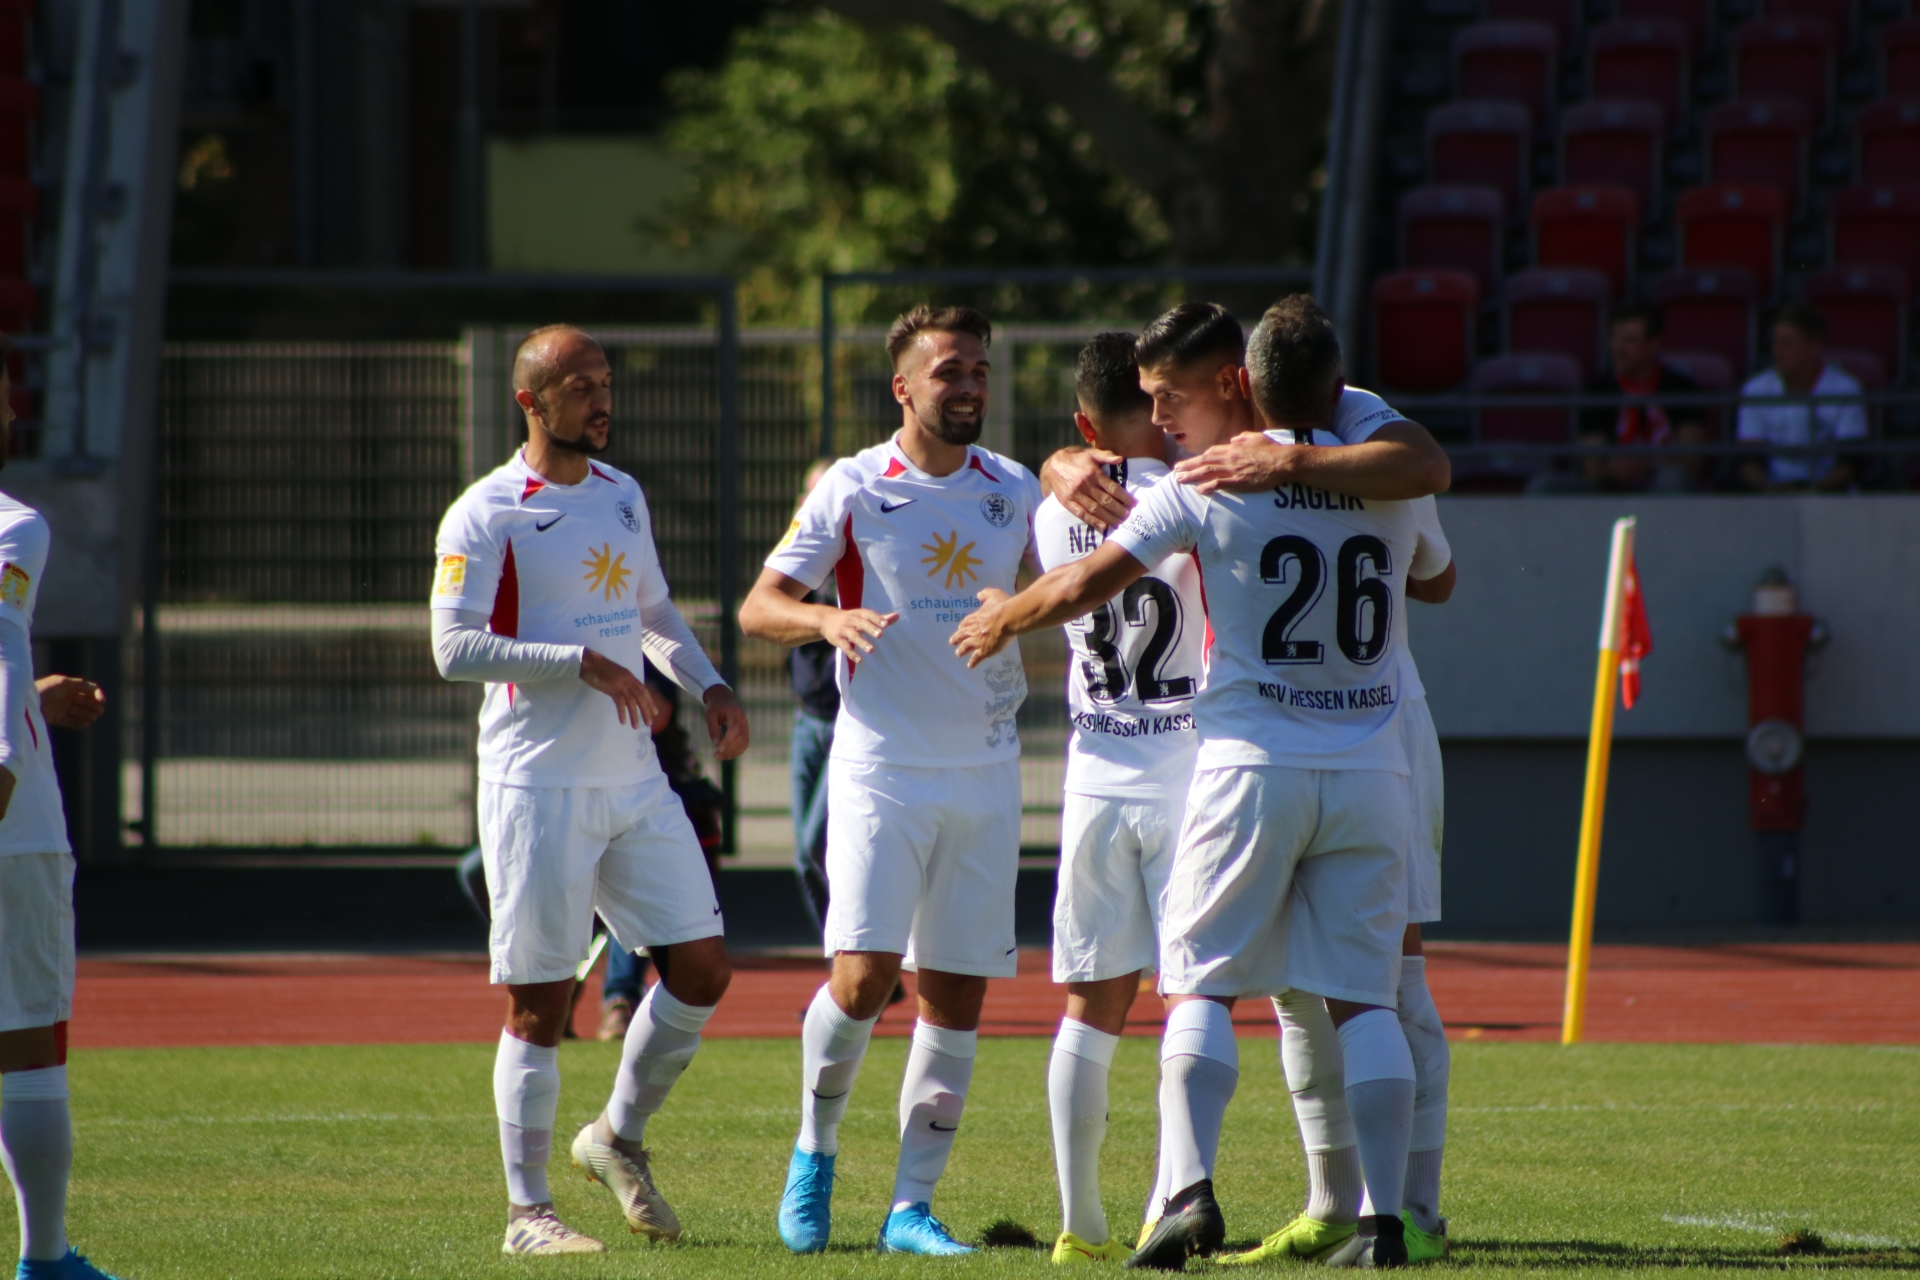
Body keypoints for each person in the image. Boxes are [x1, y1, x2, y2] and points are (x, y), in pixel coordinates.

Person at [954, 296, 1434, 1270]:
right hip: (1370, 763)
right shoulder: (1386, 468)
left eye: (1170, 395)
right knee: (1367, 1001)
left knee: (1200, 985)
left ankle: (1186, 1195)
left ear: (1238, 382)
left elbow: (1086, 582)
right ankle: (1386, 1221)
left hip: (1249, 764)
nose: (1162, 416)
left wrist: (1005, 616)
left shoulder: (1202, 481)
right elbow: (1436, 540)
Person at [431, 323, 749, 1255]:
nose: (601, 400)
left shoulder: (621, 494)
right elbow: (453, 648)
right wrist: (578, 662)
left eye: (605, 382)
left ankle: (614, 1136)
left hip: (634, 780)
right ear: (530, 402)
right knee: (538, 1004)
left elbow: (650, 613)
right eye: (581, 386)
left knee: (702, 968)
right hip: (537, 787)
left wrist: (711, 685)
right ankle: (526, 1215)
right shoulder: (485, 512)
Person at [739, 304, 1042, 1257]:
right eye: (950, 371)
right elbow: (759, 606)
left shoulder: (1016, 487)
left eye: (980, 370)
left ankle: (911, 1208)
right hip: (881, 769)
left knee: (956, 997)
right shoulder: (854, 485)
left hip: (987, 773)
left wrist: (1021, 610)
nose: (970, 386)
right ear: (903, 387)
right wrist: (826, 621)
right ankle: (814, 1149)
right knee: (864, 979)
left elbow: (1068, 598)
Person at [1033, 333, 1204, 1265]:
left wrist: (1058, 463)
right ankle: (1168, 1203)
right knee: (1190, 999)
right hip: (1190, 773)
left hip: (1096, 775)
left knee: (1090, 1006)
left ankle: (1079, 1223)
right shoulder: (1195, 491)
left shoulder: (1049, 510)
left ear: (1083, 421)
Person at [0, 350, 121, 1280]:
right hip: (14, 828)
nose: (12, 414)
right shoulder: (14, 529)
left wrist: (34, 702)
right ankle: (46, 1262)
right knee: (28, 1044)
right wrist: (12, 748)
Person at [599, 662, 728, 1041]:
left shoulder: (644, 650)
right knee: (477, 872)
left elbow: (655, 713)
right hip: (563, 789)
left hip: (648, 797)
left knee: (636, 904)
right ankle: (562, 979)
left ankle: (620, 999)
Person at [786, 458, 839, 938]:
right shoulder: (796, 559)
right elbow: (767, 616)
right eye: (808, 493)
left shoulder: (853, 553)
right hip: (806, 723)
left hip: (847, 723)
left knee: (815, 846)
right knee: (805, 860)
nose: (810, 503)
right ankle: (843, 962)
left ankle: (857, 959)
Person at [1575, 303, 1709, 492]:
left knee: (1673, 478)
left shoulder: (1682, 388)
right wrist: (1612, 470)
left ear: (1654, 344)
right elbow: (1592, 468)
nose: (1618, 349)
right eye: (1614, 339)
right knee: (1546, 485)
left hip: (1662, 481)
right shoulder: (1597, 390)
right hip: (1609, 486)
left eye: (1629, 341)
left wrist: (1646, 466)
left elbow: (1692, 462)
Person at [1737, 303, 1868, 492]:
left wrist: (1814, 491)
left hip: (1829, 493)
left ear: (1813, 346)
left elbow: (1850, 463)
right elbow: (1749, 460)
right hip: (1772, 492)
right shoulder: (1755, 390)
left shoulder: (1845, 389)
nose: (1777, 351)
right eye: (1776, 343)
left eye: (1787, 344)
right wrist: (1768, 488)